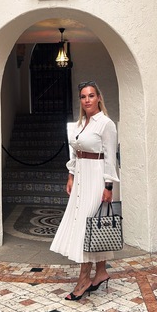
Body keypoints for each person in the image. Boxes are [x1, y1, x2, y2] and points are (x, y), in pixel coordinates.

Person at [50, 80, 120, 300]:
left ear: (98, 97)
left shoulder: (106, 124)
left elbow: (110, 158)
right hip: (81, 177)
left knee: (86, 227)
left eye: (91, 95)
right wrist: (71, 175)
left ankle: (83, 280)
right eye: (83, 96)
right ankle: (101, 272)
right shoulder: (79, 123)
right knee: (92, 225)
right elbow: (75, 152)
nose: (87, 100)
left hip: (97, 179)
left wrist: (108, 186)